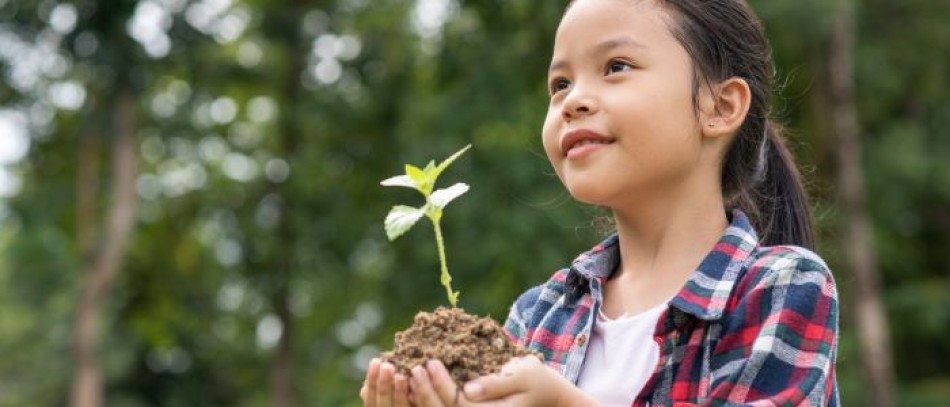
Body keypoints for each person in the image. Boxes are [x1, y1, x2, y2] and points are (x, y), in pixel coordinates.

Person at [361, 0, 839, 405]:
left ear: (721, 106)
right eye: (560, 84)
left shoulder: (781, 287)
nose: (572, 101)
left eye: (616, 67)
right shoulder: (538, 316)